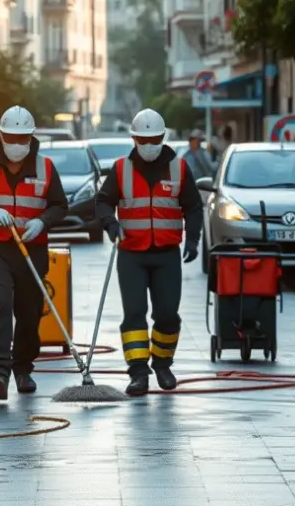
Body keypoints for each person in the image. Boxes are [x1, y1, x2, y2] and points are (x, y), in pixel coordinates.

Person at [0, 106, 67, 400]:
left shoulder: (45, 168)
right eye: (11, 137)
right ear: (1, 136)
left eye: (22, 138)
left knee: (29, 311)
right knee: (0, 304)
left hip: (32, 248)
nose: (17, 143)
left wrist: (42, 221)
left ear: (31, 137)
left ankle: (23, 368)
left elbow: (60, 206)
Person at [96, 108, 204, 396]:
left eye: (154, 139)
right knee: (134, 313)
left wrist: (193, 240)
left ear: (163, 137)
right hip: (131, 254)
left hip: (167, 254)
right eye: (142, 140)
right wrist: (110, 222)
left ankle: (163, 363)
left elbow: (193, 207)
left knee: (168, 314)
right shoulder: (121, 169)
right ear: (133, 139)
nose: (148, 145)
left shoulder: (180, 168)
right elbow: (103, 201)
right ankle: (138, 372)